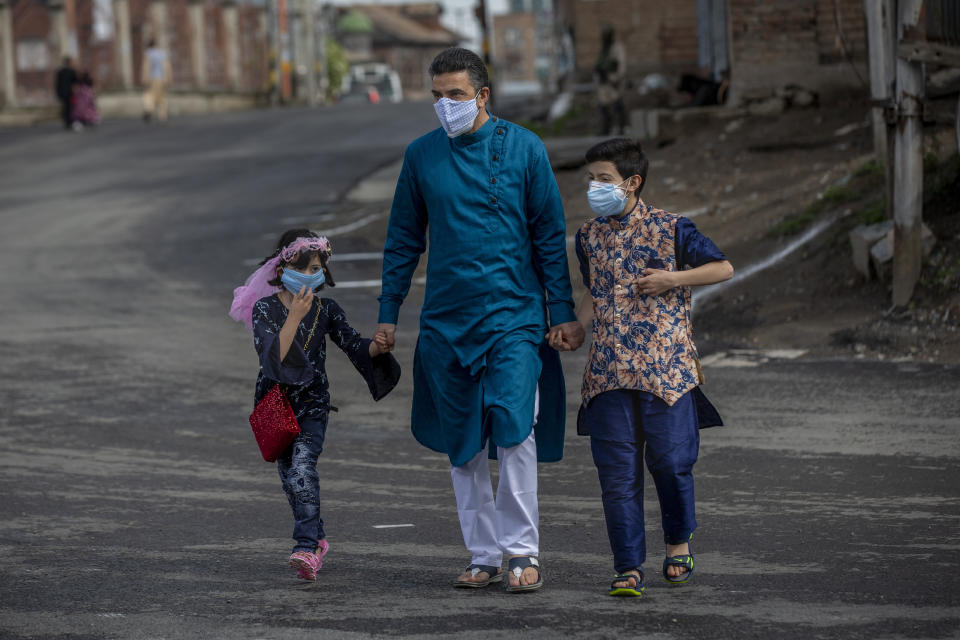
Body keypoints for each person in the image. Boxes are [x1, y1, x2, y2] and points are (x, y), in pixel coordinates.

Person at [375, 47, 584, 593]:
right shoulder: (421, 156)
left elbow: (547, 235)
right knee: (461, 442)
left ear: (483, 95)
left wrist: (559, 310)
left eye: (457, 95)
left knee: (516, 432)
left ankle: (522, 551)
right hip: (446, 320)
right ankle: (483, 554)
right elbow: (401, 241)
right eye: (437, 96)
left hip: (514, 316)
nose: (446, 105)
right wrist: (388, 314)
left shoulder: (524, 149)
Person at [549, 138, 733, 597]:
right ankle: (627, 567)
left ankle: (676, 545)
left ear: (632, 183)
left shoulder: (673, 229)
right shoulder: (587, 236)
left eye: (604, 179)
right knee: (617, 475)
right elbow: (599, 292)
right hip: (608, 374)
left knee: (672, 464)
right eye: (591, 178)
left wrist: (673, 278)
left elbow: (722, 268)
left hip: (666, 373)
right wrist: (577, 326)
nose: (594, 187)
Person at [229, 229, 400, 581]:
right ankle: (318, 537)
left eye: (317, 268)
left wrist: (377, 348)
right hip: (276, 405)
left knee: (304, 468)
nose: (311, 275)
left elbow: (355, 346)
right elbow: (272, 357)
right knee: (291, 479)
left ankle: (305, 547)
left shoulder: (326, 310)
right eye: (304, 268)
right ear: (283, 267)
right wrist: (293, 317)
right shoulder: (265, 309)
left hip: (312, 404)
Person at [593, 25, 627, 136]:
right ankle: (606, 129)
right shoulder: (603, 50)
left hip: (613, 81)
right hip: (603, 83)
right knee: (603, 106)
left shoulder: (617, 48)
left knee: (617, 105)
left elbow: (621, 65)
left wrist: (617, 78)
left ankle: (622, 127)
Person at [141, 39, 172, 122]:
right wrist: (169, 79)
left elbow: (146, 67)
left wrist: (144, 79)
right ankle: (163, 116)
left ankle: (148, 109)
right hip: (162, 78)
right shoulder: (162, 54)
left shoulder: (148, 54)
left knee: (149, 95)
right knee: (162, 97)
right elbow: (167, 67)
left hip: (152, 79)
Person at [54, 56, 78, 130]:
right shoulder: (72, 71)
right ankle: (69, 122)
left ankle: (66, 121)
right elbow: (75, 82)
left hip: (62, 92)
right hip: (70, 93)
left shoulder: (59, 71)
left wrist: (57, 93)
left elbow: (57, 83)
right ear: (69, 63)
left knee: (65, 107)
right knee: (70, 107)